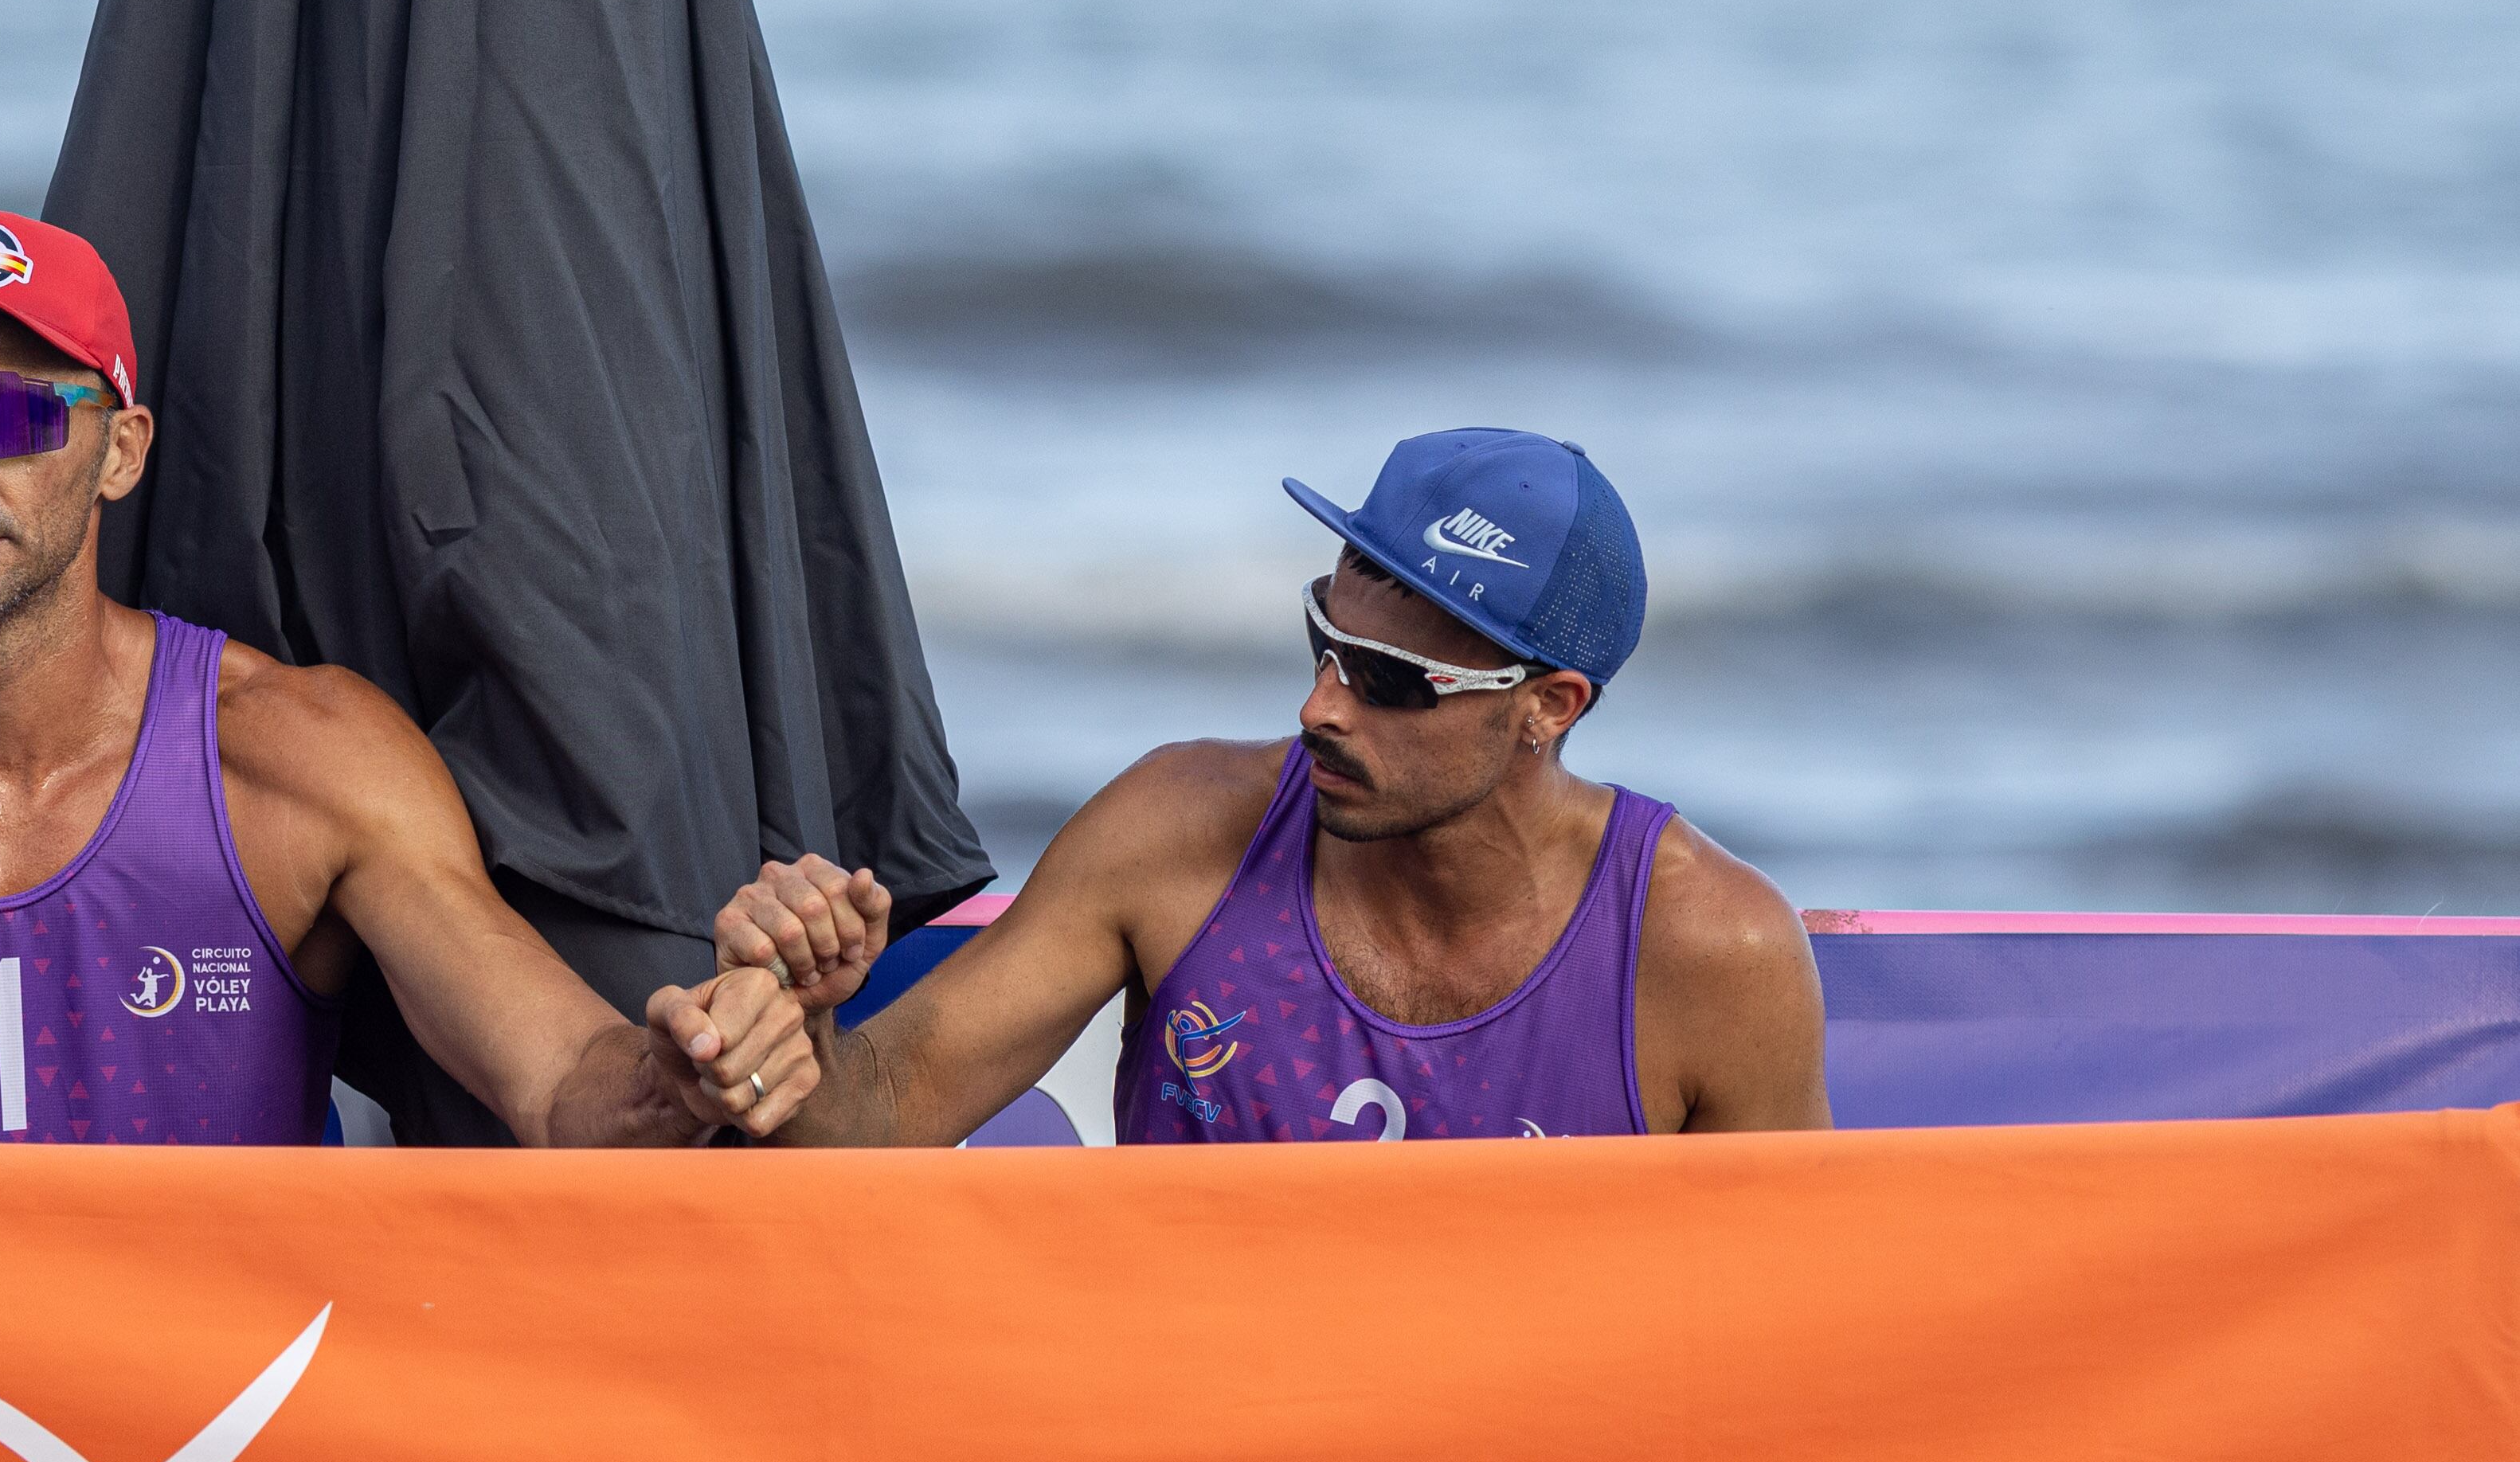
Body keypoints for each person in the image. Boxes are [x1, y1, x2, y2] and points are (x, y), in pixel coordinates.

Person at [0, 210, 816, 1145]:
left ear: (119, 451)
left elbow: (564, 1093)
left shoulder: (296, 759)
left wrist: (688, 1066)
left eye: (14, 419)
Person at [709, 428, 1831, 1144]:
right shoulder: (1177, 827)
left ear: (1550, 707)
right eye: (1323, 641)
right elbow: (884, 1115)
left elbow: (1782, 1333)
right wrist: (799, 1030)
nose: (1321, 709)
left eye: (1392, 681)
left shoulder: (1710, 953)